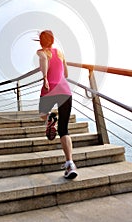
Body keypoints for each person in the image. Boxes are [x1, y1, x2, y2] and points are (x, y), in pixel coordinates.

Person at [36, 30, 77, 179]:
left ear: (41, 42)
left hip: (49, 88)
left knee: (42, 114)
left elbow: (44, 62)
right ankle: (70, 163)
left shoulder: (41, 52)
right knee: (64, 130)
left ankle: (49, 119)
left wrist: (45, 77)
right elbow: (65, 73)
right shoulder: (60, 52)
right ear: (53, 41)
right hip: (65, 90)